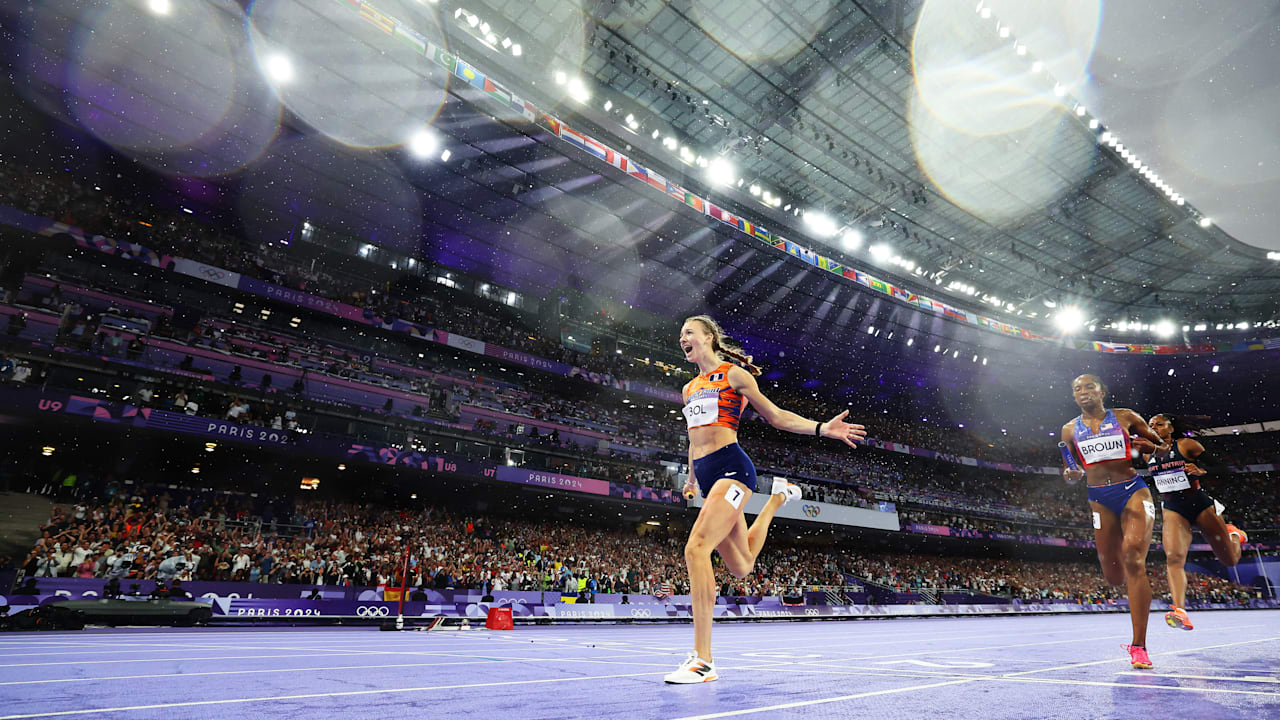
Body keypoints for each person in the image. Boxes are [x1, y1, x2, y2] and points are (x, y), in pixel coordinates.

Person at [664, 315, 866, 684]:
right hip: (709, 479)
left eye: (689, 333)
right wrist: (692, 478)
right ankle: (776, 500)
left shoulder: (734, 376)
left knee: (695, 549)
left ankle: (703, 659)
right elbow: (693, 439)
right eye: (681, 336)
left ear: (709, 337)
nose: (683, 339)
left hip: (733, 471)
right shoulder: (689, 388)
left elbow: (776, 417)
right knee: (741, 566)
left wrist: (823, 428)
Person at [1060, 374, 1167, 670]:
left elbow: (1164, 448)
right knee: (1113, 575)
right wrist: (1071, 476)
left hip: (1133, 490)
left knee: (1134, 558)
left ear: (1102, 391)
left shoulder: (1126, 417)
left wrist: (1151, 450)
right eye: (1077, 388)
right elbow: (1071, 470)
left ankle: (1139, 647)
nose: (1083, 392)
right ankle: (1135, 633)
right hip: (1098, 498)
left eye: (1089, 386)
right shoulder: (1069, 430)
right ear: (1074, 396)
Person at [1145, 413, 1247, 631]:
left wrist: (1202, 471)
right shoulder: (1147, 453)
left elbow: (1224, 470)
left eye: (1159, 424)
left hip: (1199, 505)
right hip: (1173, 508)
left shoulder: (1187, 445)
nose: (1153, 428)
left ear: (1171, 428)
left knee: (1229, 560)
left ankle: (1235, 535)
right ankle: (1180, 611)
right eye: (1150, 425)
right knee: (1173, 557)